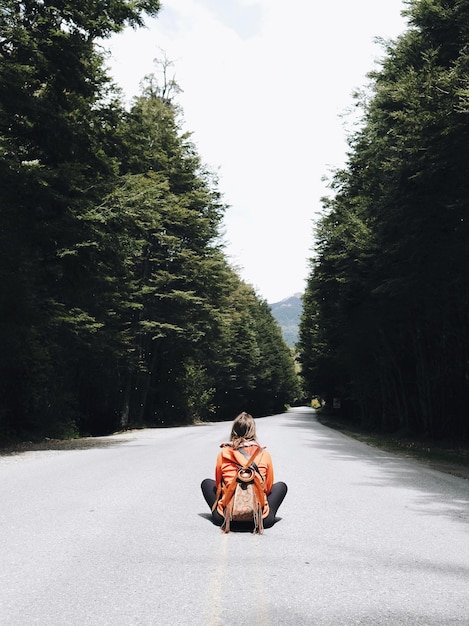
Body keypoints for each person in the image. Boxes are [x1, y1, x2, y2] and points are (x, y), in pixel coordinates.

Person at [201, 411, 287, 531]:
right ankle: (257, 514)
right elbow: (267, 488)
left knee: (206, 483)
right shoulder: (264, 454)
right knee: (281, 486)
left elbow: (218, 485)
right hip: (260, 520)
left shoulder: (224, 453)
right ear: (253, 431)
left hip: (227, 519)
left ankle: (227, 511)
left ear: (233, 431)